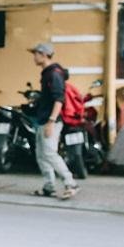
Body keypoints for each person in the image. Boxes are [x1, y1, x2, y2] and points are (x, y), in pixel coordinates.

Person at [28, 42, 79, 199]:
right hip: (43, 120)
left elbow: (59, 99)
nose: (34, 57)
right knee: (41, 155)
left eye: (36, 54)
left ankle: (71, 183)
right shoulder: (47, 73)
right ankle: (49, 187)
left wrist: (51, 121)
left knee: (49, 153)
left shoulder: (54, 74)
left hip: (51, 121)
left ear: (44, 54)